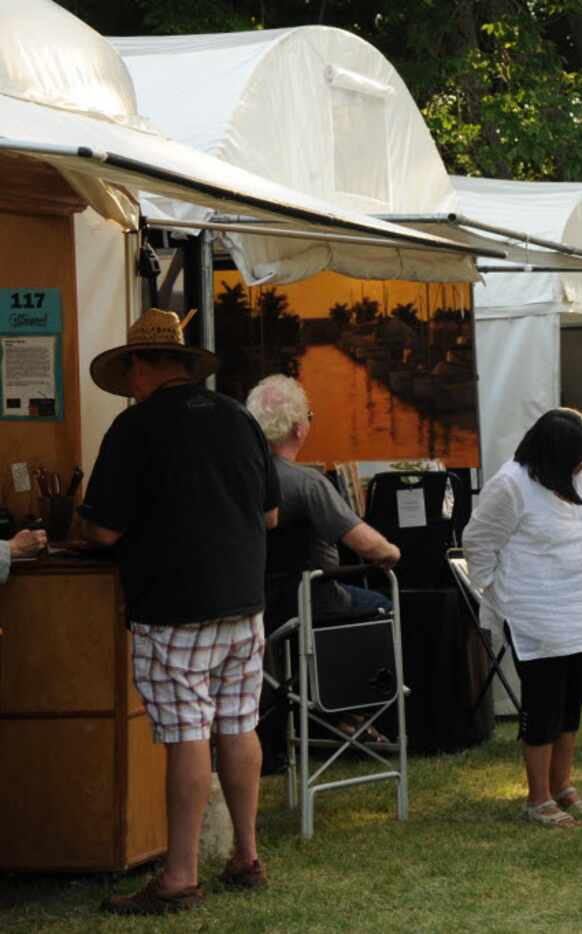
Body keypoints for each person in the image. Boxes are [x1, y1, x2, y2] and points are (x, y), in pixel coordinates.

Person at [80, 309, 279, 914]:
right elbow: (270, 515)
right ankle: (245, 856)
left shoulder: (135, 429)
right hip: (243, 602)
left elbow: (103, 532)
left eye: (129, 373)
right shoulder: (239, 418)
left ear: (139, 366)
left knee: (188, 735)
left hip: (173, 607)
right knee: (238, 725)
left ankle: (179, 876)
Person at [462, 409, 582, 828]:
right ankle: (538, 798)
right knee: (543, 707)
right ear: (552, 456)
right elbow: (478, 542)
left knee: (572, 701)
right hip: (536, 613)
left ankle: (563, 786)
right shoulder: (510, 485)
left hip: (581, 605)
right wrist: (497, 594)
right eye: (577, 458)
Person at [245, 376, 401, 615]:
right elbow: (369, 546)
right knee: (385, 605)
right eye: (309, 417)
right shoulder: (308, 482)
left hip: (260, 604)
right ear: (298, 429)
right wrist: (391, 552)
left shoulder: (243, 478)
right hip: (315, 601)